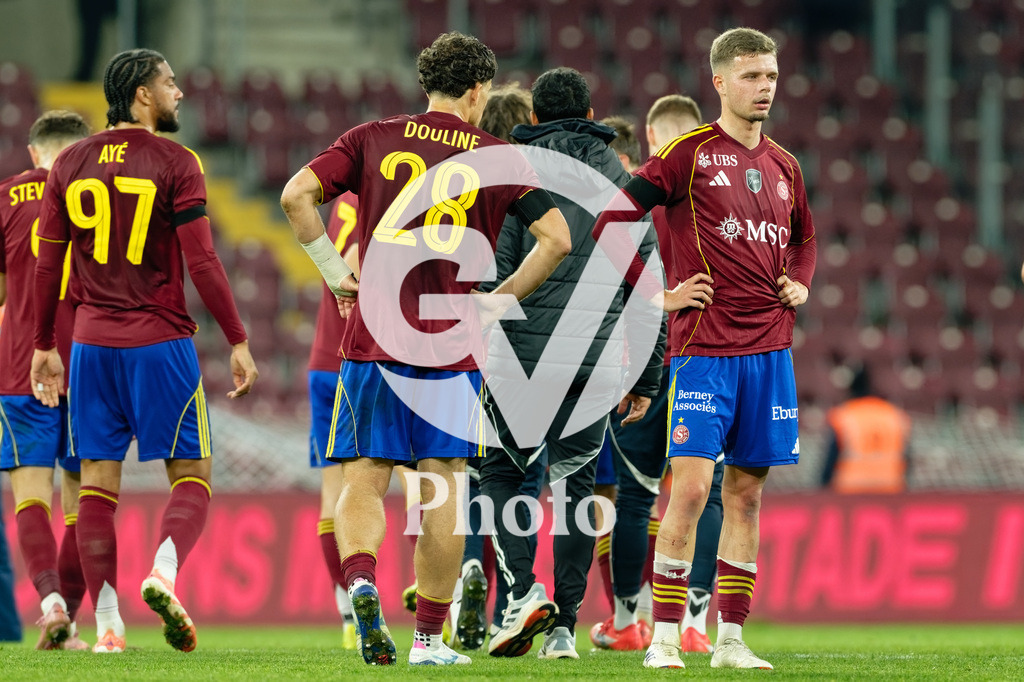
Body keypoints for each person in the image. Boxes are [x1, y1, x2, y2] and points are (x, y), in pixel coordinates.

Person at [280, 31, 571, 667]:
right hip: (449, 342)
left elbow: (295, 195)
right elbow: (556, 239)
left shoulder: (371, 137)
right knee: (442, 485)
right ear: (475, 92)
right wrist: (499, 299)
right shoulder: (498, 157)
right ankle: (427, 641)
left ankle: (360, 584)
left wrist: (334, 273)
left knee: (364, 476)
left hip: (374, 337)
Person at [592, 28, 817, 670]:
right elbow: (611, 221)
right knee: (689, 491)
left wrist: (800, 280)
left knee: (746, 494)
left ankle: (731, 640)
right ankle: (664, 637)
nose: (764, 87)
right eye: (751, 76)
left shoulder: (786, 165)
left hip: (770, 351)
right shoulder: (687, 154)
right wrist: (654, 295)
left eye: (771, 76)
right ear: (719, 82)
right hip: (703, 348)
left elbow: (805, 238)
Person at [31, 49, 259, 654]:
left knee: (96, 489)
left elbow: (47, 267)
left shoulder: (70, 162)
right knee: (192, 475)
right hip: (160, 342)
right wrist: (237, 337)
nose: (179, 93)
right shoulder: (177, 161)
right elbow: (204, 261)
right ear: (140, 94)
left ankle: (107, 623)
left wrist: (42, 345)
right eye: (170, 84)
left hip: (89, 348)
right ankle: (163, 571)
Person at [479, 66, 663, 660]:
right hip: (596, 362)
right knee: (577, 487)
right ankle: (563, 630)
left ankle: (521, 593)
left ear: (533, 117)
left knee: (504, 477)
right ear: (591, 115)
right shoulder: (623, 180)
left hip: (520, 358)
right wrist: (649, 376)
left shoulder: (515, 173)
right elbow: (648, 285)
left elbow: (497, 269)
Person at [0, 110, 91, 651]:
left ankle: (51, 604)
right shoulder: (101, 200)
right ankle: (74, 623)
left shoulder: (7, 196)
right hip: (89, 365)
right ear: (83, 151)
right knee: (88, 500)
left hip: (19, 368)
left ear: (35, 153)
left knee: (30, 498)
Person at [307, 191, 361, 649]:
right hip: (366, 360)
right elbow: (357, 259)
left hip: (323, 360)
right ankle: (444, 603)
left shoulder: (345, 199)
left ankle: (347, 611)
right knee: (414, 477)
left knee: (332, 491)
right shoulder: (393, 195)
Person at [821, 366, 911, 493]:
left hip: (851, 491)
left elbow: (831, 457)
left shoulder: (843, 415)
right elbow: (907, 456)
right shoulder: (895, 415)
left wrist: (822, 486)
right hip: (891, 489)